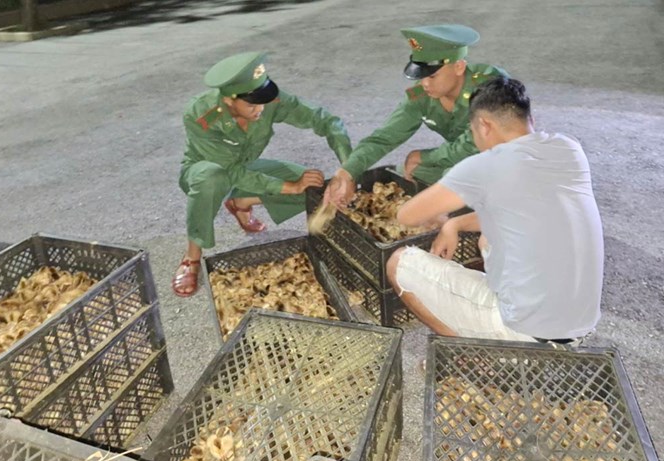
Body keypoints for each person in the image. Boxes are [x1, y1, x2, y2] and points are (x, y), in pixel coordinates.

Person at [386, 76, 604, 344]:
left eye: (473, 132)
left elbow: (407, 215)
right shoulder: (568, 148)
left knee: (398, 261)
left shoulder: (486, 166)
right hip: (580, 324)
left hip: (526, 329)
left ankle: (479, 353)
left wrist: (439, 210)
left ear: (484, 125)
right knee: (488, 236)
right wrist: (454, 224)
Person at [173, 52, 352, 297]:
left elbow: (324, 119)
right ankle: (191, 257)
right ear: (228, 100)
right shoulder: (201, 115)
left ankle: (241, 202)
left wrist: (348, 168)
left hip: (246, 169)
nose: (260, 109)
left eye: (263, 101)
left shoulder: (268, 102)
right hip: (205, 173)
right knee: (212, 179)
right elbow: (229, 171)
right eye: (251, 104)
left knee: (318, 190)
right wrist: (289, 186)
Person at [325, 24, 507, 208]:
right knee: (412, 171)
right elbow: (383, 138)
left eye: (432, 76)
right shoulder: (422, 96)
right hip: (467, 160)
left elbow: (473, 145)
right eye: (421, 75)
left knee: (452, 177)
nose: (425, 83)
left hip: (506, 160)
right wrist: (346, 173)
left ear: (459, 67)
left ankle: (482, 221)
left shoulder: (489, 85)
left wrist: (426, 156)